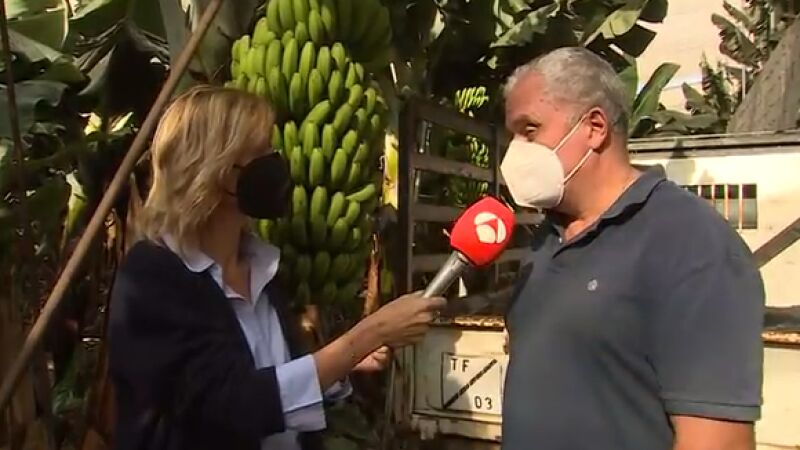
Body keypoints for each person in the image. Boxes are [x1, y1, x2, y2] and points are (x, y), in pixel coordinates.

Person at [107, 85, 446, 450]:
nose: (276, 163)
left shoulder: (260, 267)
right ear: (217, 171)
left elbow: (273, 380)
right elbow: (232, 403)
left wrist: (345, 363)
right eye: (260, 153)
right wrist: (369, 334)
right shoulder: (153, 279)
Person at [499, 47, 765, 450]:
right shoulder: (547, 239)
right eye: (513, 134)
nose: (515, 151)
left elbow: (718, 441)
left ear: (594, 127)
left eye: (529, 129)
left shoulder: (689, 241)